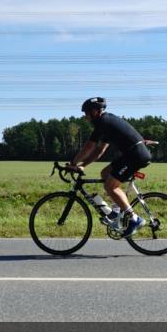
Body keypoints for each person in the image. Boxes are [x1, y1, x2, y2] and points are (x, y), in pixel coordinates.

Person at [67, 97, 152, 237]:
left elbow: (89, 146)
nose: (85, 117)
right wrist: (83, 165)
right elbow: (99, 151)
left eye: (86, 113)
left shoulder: (103, 122)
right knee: (105, 173)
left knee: (110, 186)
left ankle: (134, 219)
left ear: (95, 111)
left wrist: (74, 163)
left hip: (135, 155)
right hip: (132, 154)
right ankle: (116, 211)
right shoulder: (107, 123)